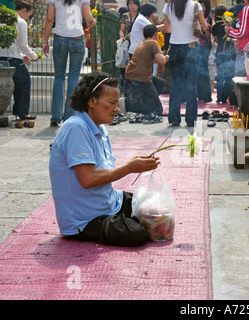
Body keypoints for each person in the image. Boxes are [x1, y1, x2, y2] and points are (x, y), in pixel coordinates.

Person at [49, 71, 161, 247]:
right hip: (85, 218)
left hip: (109, 201)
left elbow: (104, 171)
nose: (117, 108)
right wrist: (129, 168)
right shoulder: (76, 128)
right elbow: (88, 179)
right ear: (92, 101)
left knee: (154, 207)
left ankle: (126, 217)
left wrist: (133, 165)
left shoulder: (99, 128)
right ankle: (125, 221)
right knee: (136, 232)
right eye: (112, 103)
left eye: (117, 103)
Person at [43, 0, 96, 127]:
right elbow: (89, 19)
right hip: (77, 38)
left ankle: (55, 116)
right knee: (73, 76)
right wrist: (93, 22)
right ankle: (69, 116)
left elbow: (50, 19)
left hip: (59, 37)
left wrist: (45, 41)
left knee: (59, 77)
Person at [162, 0, 208, 127]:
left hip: (175, 48)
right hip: (191, 47)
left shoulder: (168, 7)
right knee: (191, 84)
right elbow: (204, 27)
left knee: (176, 84)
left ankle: (174, 119)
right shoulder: (196, 5)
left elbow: (167, 29)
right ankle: (190, 119)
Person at [0, 0, 37, 125]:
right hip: (13, 59)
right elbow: (22, 45)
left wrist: (22, 56)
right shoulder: (20, 22)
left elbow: (12, 47)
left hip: (7, 57)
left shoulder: (3, 20)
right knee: (24, 82)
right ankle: (22, 112)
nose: (28, 19)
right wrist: (34, 55)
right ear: (24, 10)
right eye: (29, 15)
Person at [124, 24, 168, 123]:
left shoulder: (141, 43)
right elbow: (162, 61)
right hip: (141, 78)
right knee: (158, 110)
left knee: (159, 82)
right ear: (155, 34)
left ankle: (147, 101)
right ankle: (147, 106)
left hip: (131, 74)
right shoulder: (153, 43)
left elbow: (149, 60)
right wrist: (167, 57)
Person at [212, 5, 236, 104]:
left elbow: (216, 41)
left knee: (220, 76)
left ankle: (220, 97)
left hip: (220, 52)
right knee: (229, 76)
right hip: (230, 51)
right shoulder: (230, 25)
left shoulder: (215, 27)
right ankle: (228, 97)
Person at [197, 0, 213, 103]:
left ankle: (206, 95)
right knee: (197, 72)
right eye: (201, 6)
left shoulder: (208, 19)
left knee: (203, 71)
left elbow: (207, 35)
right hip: (196, 46)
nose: (202, 8)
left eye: (204, 6)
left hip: (204, 46)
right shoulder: (195, 18)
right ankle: (199, 95)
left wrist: (204, 26)